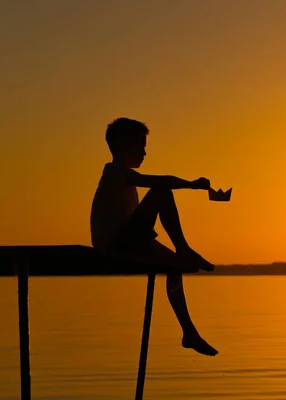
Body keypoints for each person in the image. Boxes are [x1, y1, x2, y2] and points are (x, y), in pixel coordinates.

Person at [90, 117, 218, 356]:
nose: (145, 152)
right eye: (140, 146)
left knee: (175, 267)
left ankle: (189, 331)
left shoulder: (124, 176)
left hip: (129, 239)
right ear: (122, 145)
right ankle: (184, 248)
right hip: (117, 243)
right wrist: (191, 184)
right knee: (161, 191)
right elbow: (159, 183)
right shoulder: (115, 172)